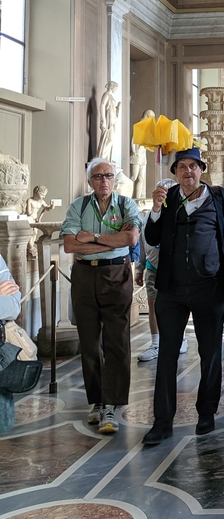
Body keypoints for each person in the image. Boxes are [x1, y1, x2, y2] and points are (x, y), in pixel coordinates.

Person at [142, 147, 224, 445]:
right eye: (182, 167)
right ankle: (162, 422)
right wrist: (156, 210)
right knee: (166, 355)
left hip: (209, 286)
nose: (188, 172)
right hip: (172, 289)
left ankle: (206, 413)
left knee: (210, 353)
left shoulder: (218, 197)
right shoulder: (169, 198)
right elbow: (152, 238)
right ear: (175, 172)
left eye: (193, 166)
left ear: (202, 170)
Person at [61, 158, 142, 434]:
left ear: (114, 179)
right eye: (97, 176)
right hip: (84, 277)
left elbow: (130, 240)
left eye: (108, 175)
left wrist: (91, 237)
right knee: (89, 341)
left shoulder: (126, 205)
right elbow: (70, 245)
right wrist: (109, 240)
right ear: (89, 181)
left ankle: (112, 405)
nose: (103, 180)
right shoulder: (78, 206)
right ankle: (97, 401)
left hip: (116, 276)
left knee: (117, 341)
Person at [136, 178, 188, 362]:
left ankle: (180, 338)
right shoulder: (150, 215)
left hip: (175, 269)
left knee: (177, 306)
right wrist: (139, 268)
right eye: (161, 191)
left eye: (168, 191)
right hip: (153, 267)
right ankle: (156, 343)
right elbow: (144, 242)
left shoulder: (181, 214)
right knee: (154, 306)